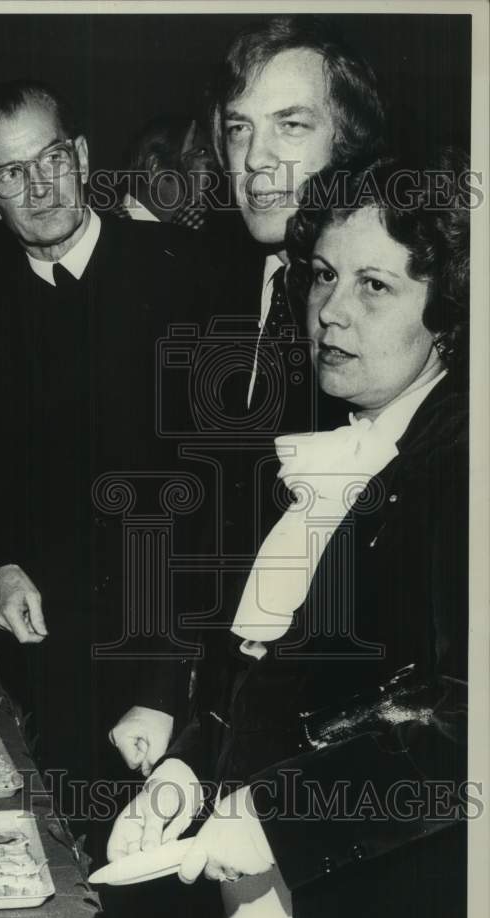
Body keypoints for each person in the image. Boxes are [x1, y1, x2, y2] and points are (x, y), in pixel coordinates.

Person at [107, 151, 470, 918]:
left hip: (387, 904)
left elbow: (464, 723)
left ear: (447, 311)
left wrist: (278, 813)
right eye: (322, 277)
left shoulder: (459, 465)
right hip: (265, 887)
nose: (331, 313)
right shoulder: (338, 443)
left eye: (375, 286)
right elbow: (275, 664)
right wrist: (187, 772)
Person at [109, 12, 386, 778]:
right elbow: (190, 501)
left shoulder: (381, 326)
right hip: (212, 716)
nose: (257, 160)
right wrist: (164, 690)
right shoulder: (222, 284)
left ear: (349, 145)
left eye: (291, 125)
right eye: (238, 130)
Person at [0, 79, 208, 795]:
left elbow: (225, 494)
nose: (41, 187)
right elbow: (6, 467)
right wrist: (7, 559)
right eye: (12, 173)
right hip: (56, 637)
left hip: (185, 631)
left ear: (80, 155)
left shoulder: (192, 274)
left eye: (50, 158)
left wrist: (165, 678)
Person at [112, 114, 212, 229]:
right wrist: (195, 201)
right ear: (155, 168)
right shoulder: (112, 231)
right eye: (200, 154)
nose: (208, 175)